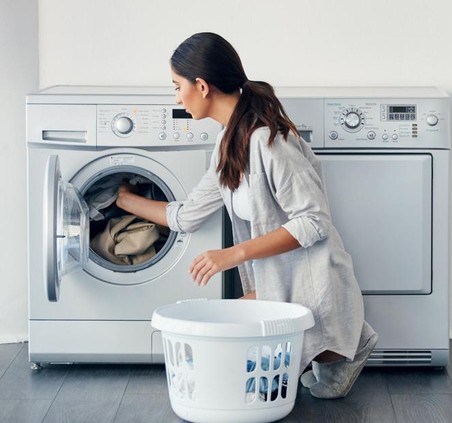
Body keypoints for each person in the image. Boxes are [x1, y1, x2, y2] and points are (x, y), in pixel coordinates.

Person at [115, 32, 378, 399]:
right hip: (277, 285)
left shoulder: (270, 141)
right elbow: (187, 215)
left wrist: (234, 254)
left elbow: (314, 221)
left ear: (202, 86)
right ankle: (333, 345)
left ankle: (346, 344)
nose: (176, 97)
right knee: (217, 356)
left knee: (230, 367)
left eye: (177, 87)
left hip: (310, 283)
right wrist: (124, 199)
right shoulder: (227, 143)